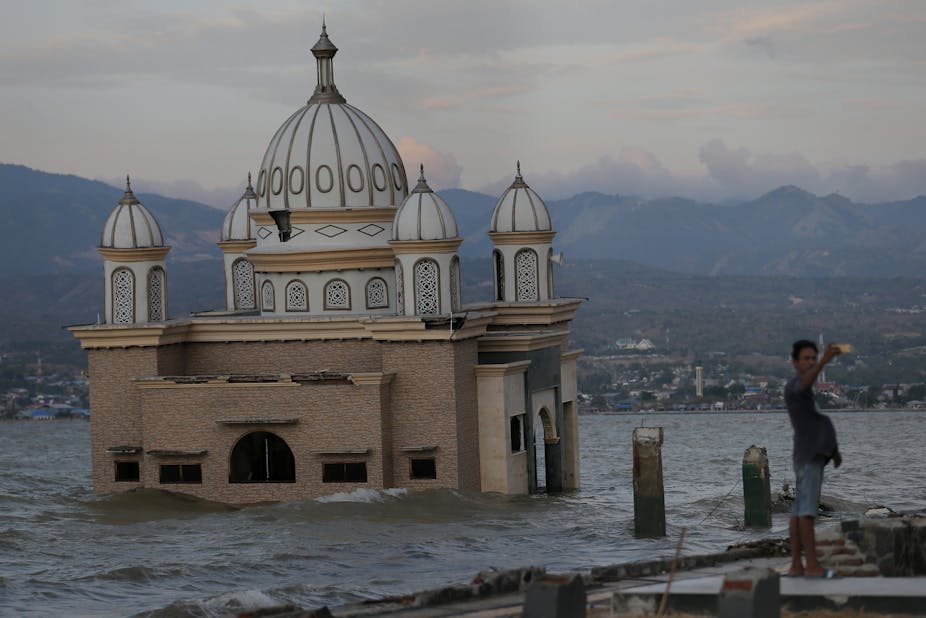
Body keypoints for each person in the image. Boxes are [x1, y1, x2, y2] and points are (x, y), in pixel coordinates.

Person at [785, 340, 842, 578]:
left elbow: (814, 422)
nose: (810, 362)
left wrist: (834, 450)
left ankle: (797, 565)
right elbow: (807, 382)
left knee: (799, 510)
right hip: (808, 458)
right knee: (807, 513)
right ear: (795, 362)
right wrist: (824, 361)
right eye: (806, 358)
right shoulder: (797, 385)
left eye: (813, 358)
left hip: (811, 455)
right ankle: (812, 566)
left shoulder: (800, 387)